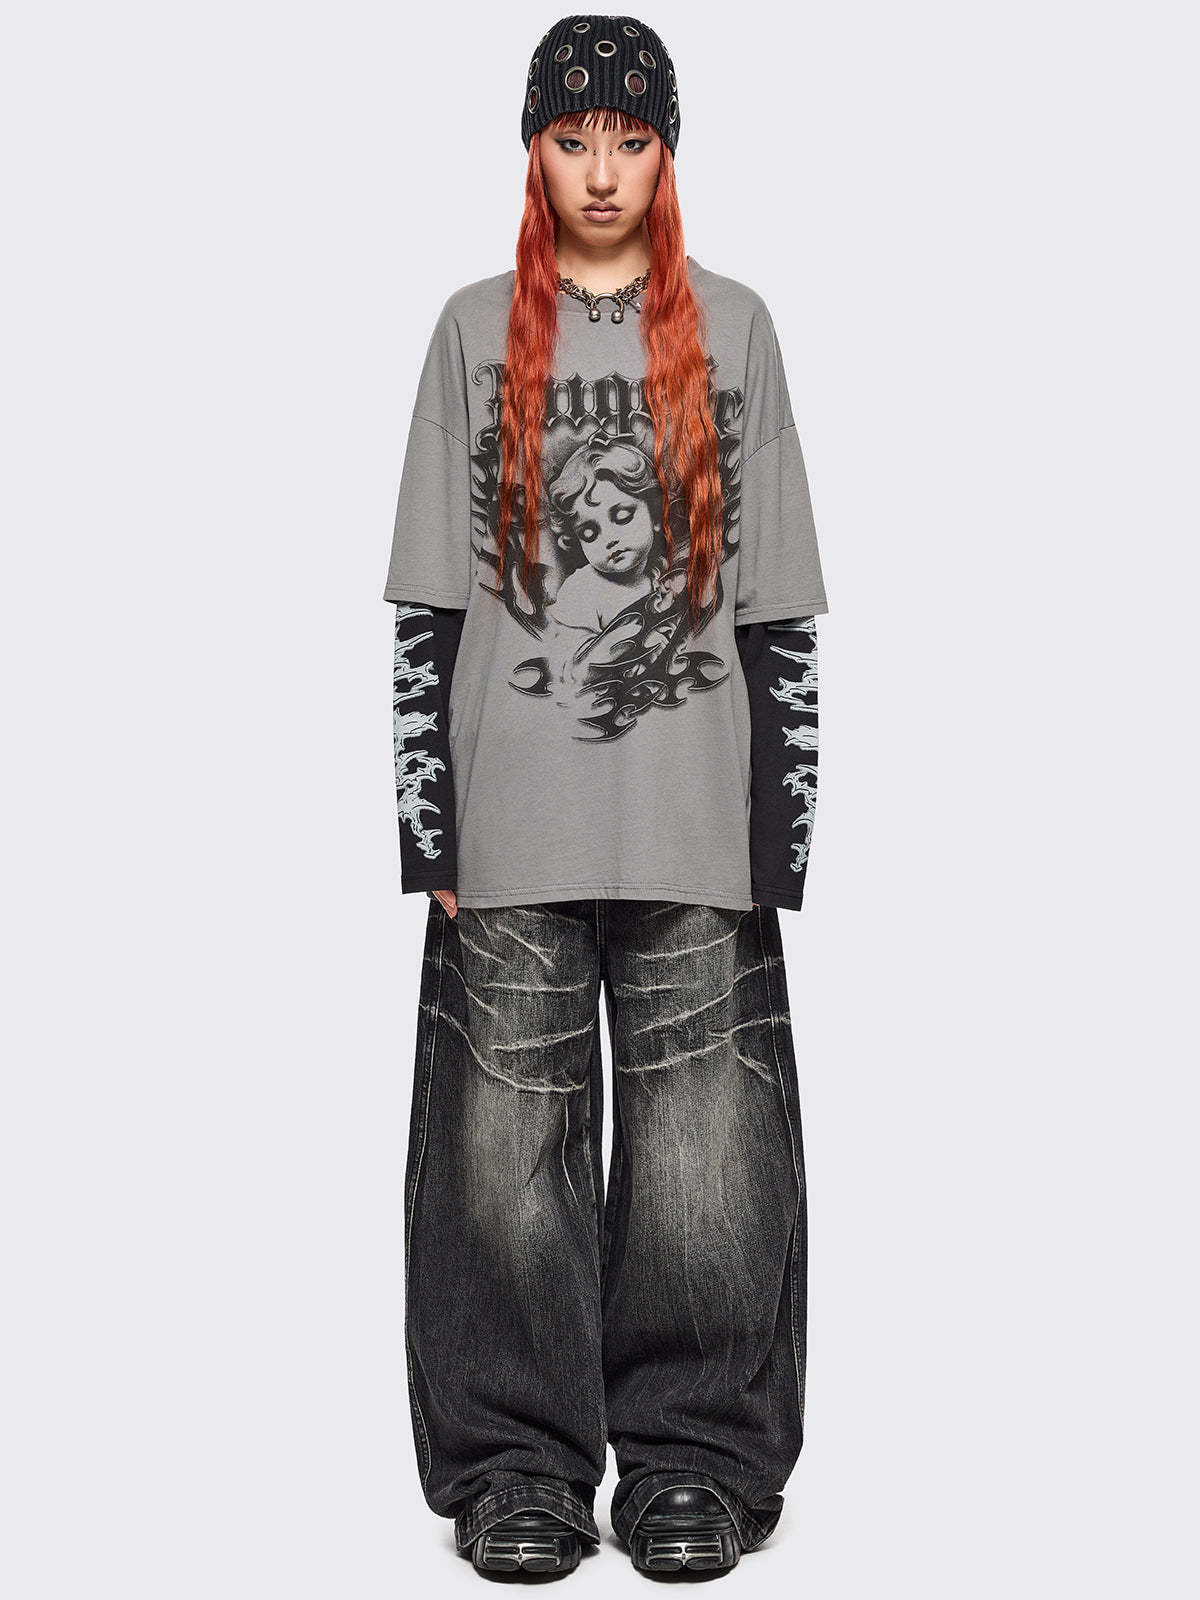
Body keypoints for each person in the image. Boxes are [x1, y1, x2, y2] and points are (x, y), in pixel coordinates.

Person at [382, 14, 829, 1578]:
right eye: (572, 139)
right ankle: (517, 1465)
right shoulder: (468, 332)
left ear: (666, 152)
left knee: (710, 1158)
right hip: (508, 823)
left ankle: (696, 1459)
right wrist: (425, 824)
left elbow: (781, 608)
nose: (600, 170)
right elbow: (427, 606)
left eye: (630, 140)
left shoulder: (736, 329)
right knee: (502, 1162)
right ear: (533, 150)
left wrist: (782, 832)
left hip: (696, 820)